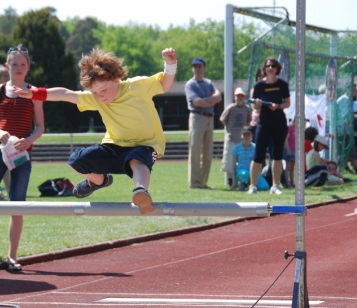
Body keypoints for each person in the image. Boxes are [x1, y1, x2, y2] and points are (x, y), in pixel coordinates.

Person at [16, 47, 178, 215]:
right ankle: (99, 181)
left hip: (145, 146)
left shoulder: (136, 86)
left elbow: (164, 84)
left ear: (116, 79)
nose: (100, 96)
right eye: (94, 92)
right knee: (76, 160)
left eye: (103, 90)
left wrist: (170, 64)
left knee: (136, 159)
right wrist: (34, 93)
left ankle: (141, 192)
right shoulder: (95, 99)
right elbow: (66, 94)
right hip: (114, 147)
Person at [0, 45, 45, 273]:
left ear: (28, 67)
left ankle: (12, 256)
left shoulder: (34, 93)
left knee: (17, 203)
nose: (19, 68)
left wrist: (30, 139)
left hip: (22, 154)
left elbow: (40, 125)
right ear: (7, 66)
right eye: (14, 64)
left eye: (23, 64)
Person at [248, 57, 291, 195]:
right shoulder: (259, 86)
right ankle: (252, 186)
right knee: (258, 154)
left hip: (279, 122)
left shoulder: (283, 84)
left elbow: (288, 103)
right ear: (264, 68)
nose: (270, 68)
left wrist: (277, 106)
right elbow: (254, 105)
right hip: (264, 122)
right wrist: (258, 104)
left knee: (277, 155)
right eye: (267, 66)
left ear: (277, 68)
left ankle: (275, 185)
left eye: (273, 66)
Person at [185, 57, 221, 189]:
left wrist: (205, 101)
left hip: (209, 118)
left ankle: (203, 182)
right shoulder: (190, 84)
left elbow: (219, 97)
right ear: (192, 68)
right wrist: (210, 101)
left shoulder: (209, 83)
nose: (197, 69)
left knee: (207, 152)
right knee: (195, 150)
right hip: (197, 117)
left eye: (200, 66)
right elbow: (196, 102)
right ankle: (194, 183)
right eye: (195, 66)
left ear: (204, 68)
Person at [219, 87, 251, 189]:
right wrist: (230, 129)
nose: (240, 98)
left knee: (242, 161)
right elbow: (223, 119)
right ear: (234, 96)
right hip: (231, 138)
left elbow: (249, 120)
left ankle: (243, 181)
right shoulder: (230, 108)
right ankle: (231, 181)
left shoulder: (247, 109)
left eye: (242, 96)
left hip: (242, 140)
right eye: (238, 96)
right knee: (228, 161)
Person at [230, 126, 256, 191]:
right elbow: (233, 166)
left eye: (248, 134)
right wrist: (234, 181)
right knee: (245, 174)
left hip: (254, 173)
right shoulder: (236, 148)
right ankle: (243, 183)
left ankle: (250, 184)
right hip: (241, 172)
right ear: (241, 136)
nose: (246, 137)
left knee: (264, 186)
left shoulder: (255, 147)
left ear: (251, 135)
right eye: (244, 135)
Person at [283, 118, 296, 188]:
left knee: (292, 167)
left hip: (295, 149)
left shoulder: (299, 129)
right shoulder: (291, 128)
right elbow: (286, 139)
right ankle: (287, 181)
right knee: (288, 166)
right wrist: (288, 149)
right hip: (289, 148)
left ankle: (292, 181)